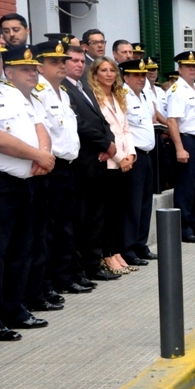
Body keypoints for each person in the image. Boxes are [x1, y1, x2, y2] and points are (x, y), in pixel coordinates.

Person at [0, 33, 54, 342]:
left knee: (20, 252)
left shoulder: (10, 92)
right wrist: (38, 156)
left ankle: (13, 308)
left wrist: (44, 154)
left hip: (24, 182)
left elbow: (39, 125)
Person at [3, 44, 58, 319]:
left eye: (34, 70)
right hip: (13, 177)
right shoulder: (6, 96)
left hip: (37, 172)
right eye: (25, 70)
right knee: (17, 247)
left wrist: (44, 155)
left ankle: (34, 293)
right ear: (9, 72)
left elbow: (42, 130)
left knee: (38, 239)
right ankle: (22, 299)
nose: (32, 74)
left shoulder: (32, 99)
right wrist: (39, 157)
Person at [33, 39, 86, 300]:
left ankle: (65, 277)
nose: (61, 66)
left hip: (68, 167)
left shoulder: (63, 93)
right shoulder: (39, 93)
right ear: (40, 66)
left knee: (66, 225)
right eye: (54, 62)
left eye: (62, 61)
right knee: (49, 229)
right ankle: (47, 282)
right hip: (50, 168)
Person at [63, 44, 118, 284]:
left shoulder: (84, 87)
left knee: (97, 217)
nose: (79, 64)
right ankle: (79, 269)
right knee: (81, 218)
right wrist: (105, 144)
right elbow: (79, 124)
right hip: (82, 162)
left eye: (80, 61)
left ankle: (93, 265)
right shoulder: (64, 88)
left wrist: (110, 142)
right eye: (73, 60)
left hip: (98, 161)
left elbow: (102, 120)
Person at [89, 56, 135, 276]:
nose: (109, 74)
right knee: (105, 213)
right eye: (103, 70)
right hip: (108, 160)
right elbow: (102, 132)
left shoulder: (118, 96)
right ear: (95, 74)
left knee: (118, 210)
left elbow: (126, 128)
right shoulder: (94, 97)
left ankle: (116, 251)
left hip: (124, 160)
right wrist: (119, 157)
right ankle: (106, 254)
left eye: (112, 70)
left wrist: (131, 154)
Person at [167, 51, 195, 243]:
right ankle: (183, 228)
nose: (192, 69)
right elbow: (172, 121)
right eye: (188, 66)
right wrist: (179, 148)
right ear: (180, 69)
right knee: (186, 188)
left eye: (194, 66)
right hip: (187, 141)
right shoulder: (178, 90)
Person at [119, 59, 157, 267]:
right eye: (136, 75)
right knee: (131, 205)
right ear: (126, 77)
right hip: (133, 155)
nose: (141, 79)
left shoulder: (144, 94)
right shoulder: (122, 95)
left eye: (143, 75)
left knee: (145, 203)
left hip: (147, 154)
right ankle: (128, 248)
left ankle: (141, 244)